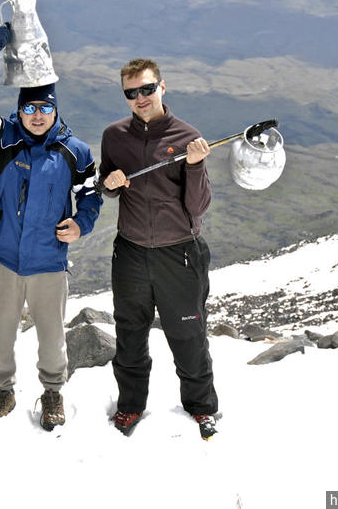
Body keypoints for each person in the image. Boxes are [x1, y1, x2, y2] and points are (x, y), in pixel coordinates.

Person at [0, 24, 102, 431]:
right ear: (19, 110)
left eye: (45, 108)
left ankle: (52, 392)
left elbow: (91, 194)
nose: (37, 116)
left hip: (48, 261)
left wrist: (82, 223)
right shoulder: (2, 139)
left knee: (52, 336)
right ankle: (3, 391)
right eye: (30, 108)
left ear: (55, 110)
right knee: (1, 333)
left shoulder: (75, 152)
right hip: (4, 257)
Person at [98, 57, 220, 439]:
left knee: (188, 336)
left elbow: (198, 207)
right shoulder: (115, 136)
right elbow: (106, 183)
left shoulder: (187, 137)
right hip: (131, 252)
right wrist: (110, 182)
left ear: (162, 87)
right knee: (130, 334)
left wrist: (196, 165)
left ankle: (202, 408)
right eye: (131, 93)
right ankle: (130, 406)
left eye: (147, 89)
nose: (140, 97)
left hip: (179, 254)